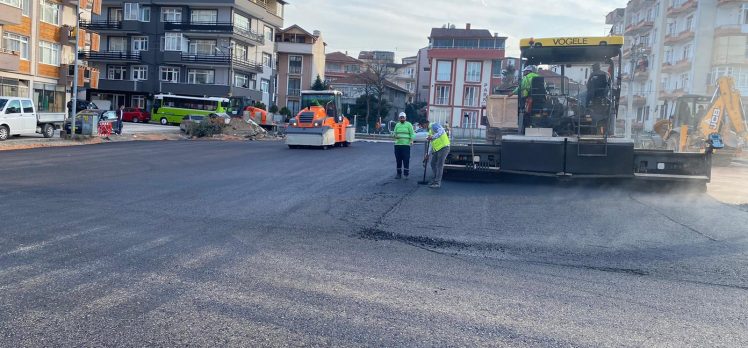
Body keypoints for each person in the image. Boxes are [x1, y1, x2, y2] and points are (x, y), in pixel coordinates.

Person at [420, 119, 450, 189]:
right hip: (437, 149)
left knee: (439, 165)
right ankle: (435, 179)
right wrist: (427, 154)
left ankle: (437, 182)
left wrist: (432, 137)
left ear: (426, 123)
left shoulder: (433, 125)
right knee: (433, 163)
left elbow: (442, 131)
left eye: (422, 125)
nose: (422, 127)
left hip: (444, 147)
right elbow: (431, 143)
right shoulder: (430, 131)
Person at [392, 112, 415, 179]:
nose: (402, 119)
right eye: (401, 118)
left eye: (403, 117)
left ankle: (406, 174)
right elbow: (394, 133)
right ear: (399, 118)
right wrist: (395, 136)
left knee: (406, 159)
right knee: (398, 160)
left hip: (406, 145)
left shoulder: (409, 125)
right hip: (397, 145)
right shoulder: (397, 125)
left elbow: (412, 134)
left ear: (405, 118)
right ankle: (398, 174)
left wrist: (411, 140)